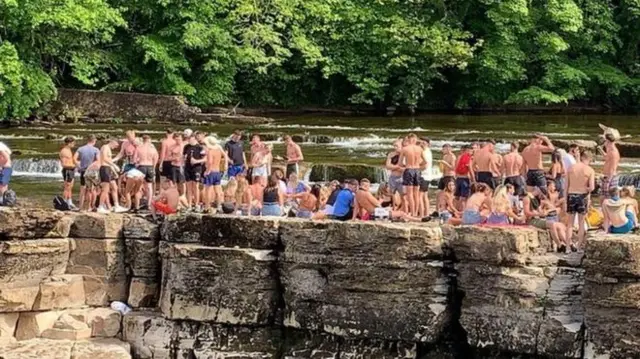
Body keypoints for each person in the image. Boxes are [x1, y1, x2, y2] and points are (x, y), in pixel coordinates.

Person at [523, 187, 570, 253]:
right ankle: (559, 245)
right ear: (538, 190)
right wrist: (538, 214)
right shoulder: (527, 198)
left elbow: (539, 211)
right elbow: (526, 212)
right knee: (552, 224)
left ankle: (569, 244)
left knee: (559, 226)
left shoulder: (536, 199)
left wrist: (543, 212)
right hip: (532, 221)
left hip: (539, 219)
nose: (543, 196)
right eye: (542, 194)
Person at [565, 150, 595, 249]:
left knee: (570, 223)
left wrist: (566, 200)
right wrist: (585, 188)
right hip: (582, 196)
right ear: (589, 159)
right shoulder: (590, 170)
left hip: (571, 195)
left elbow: (566, 186)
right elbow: (592, 188)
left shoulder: (571, 168)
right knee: (581, 223)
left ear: (581, 157)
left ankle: (568, 248)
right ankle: (578, 247)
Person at [97, 140, 127, 213]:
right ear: (112, 142)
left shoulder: (109, 149)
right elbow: (104, 158)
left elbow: (109, 160)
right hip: (104, 169)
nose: (116, 147)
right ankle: (100, 207)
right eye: (116, 145)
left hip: (109, 169)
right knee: (106, 189)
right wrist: (114, 165)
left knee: (114, 187)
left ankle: (116, 206)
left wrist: (114, 171)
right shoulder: (105, 147)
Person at [399, 133, 424, 217]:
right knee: (416, 193)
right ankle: (416, 212)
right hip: (417, 170)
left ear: (409, 139)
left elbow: (400, 163)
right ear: (415, 139)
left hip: (409, 169)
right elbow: (425, 161)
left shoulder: (405, 149)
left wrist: (405, 166)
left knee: (409, 194)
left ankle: (412, 213)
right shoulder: (420, 149)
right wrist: (418, 165)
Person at [74, 135, 100, 211]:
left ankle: (80, 207)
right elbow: (98, 160)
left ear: (87, 140)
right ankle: (90, 206)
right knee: (92, 189)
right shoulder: (96, 150)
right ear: (94, 141)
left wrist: (78, 166)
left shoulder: (81, 149)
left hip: (83, 170)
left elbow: (74, 158)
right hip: (92, 171)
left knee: (82, 189)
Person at [202, 137, 227, 213]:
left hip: (211, 172)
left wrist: (207, 171)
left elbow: (209, 162)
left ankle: (207, 207)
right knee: (218, 190)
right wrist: (226, 164)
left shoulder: (210, 151)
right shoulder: (219, 150)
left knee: (208, 191)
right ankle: (219, 207)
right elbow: (225, 155)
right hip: (217, 171)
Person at [135, 135, 159, 209]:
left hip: (141, 166)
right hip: (150, 166)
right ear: (149, 140)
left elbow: (135, 159)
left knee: (139, 186)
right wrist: (154, 167)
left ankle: (137, 205)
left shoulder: (139, 148)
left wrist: (137, 165)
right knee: (149, 186)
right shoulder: (152, 148)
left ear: (143, 140)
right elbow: (156, 158)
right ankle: (149, 204)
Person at [183, 133, 205, 209]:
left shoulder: (200, 147)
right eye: (188, 139)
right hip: (187, 168)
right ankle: (189, 204)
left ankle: (196, 204)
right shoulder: (186, 147)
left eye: (190, 139)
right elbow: (184, 156)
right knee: (188, 186)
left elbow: (205, 159)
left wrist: (196, 161)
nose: (189, 140)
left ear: (195, 139)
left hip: (196, 168)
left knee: (196, 186)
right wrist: (184, 159)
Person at [601, 129, 620, 201]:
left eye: (605, 141)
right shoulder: (610, 150)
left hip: (610, 177)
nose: (604, 143)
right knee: (603, 197)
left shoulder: (613, 152)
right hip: (606, 176)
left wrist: (608, 182)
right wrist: (601, 151)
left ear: (608, 141)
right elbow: (607, 158)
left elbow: (612, 168)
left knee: (608, 198)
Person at [386, 140, 405, 211]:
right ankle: (394, 208)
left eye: (396, 146)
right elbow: (388, 166)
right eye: (394, 146)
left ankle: (403, 209)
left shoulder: (404, 154)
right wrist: (397, 167)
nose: (395, 147)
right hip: (393, 177)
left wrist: (393, 167)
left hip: (401, 177)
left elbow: (405, 168)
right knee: (393, 194)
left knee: (403, 196)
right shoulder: (391, 154)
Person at [59, 137, 77, 209]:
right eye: (73, 143)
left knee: (70, 187)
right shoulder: (64, 151)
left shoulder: (68, 150)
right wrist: (73, 165)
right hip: (67, 170)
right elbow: (63, 164)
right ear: (69, 143)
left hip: (71, 169)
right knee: (67, 187)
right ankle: (64, 202)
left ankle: (70, 201)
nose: (74, 145)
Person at [454, 145, 474, 211]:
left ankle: (456, 212)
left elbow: (455, 168)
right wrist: (473, 180)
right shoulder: (468, 158)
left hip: (458, 179)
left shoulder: (458, 157)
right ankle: (462, 213)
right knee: (464, 198)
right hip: (465, 179)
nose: (472, 153)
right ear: (468, 150)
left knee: (457, 197)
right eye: (472, 151)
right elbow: (470, 169)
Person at [418, 138, 432, 217]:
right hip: (428, 176)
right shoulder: (428, 151)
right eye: (421, 142)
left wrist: (416, 168)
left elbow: (425, 165)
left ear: (427, 144)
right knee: (425, 196)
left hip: (424, 175)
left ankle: (422, 215)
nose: (421, 144)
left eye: (423, 143)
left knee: (420, 196)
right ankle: (426, 213)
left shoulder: (425, 152)